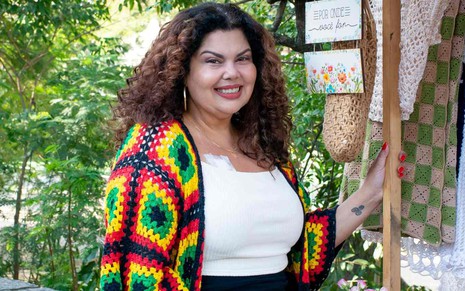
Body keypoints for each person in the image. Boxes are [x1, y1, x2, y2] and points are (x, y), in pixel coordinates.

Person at [99, 3, 400, 290]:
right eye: (213, 61)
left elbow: (301, 251)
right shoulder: (154, 150)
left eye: (242, 59)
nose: (232, 72)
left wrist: (370, 193)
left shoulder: (262, 146)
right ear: (183, 71)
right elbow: (139, 273)